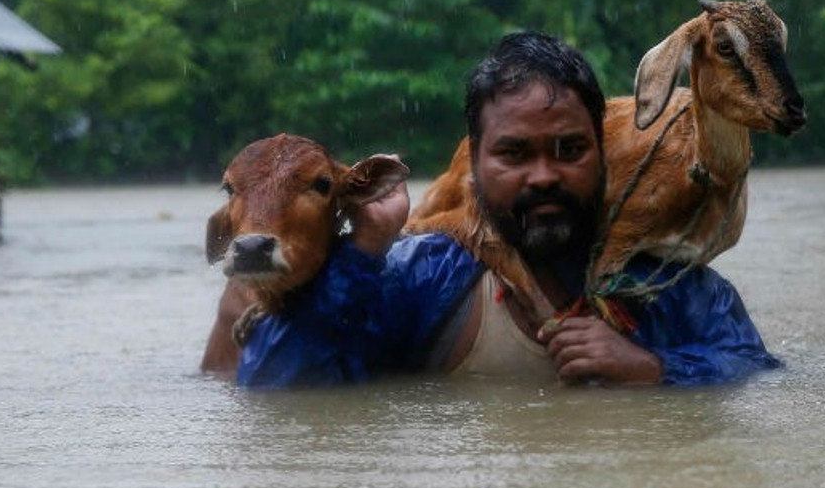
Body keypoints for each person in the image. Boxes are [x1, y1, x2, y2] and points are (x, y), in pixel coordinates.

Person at [238, 31, 780, 388]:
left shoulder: (672, 286)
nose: (544, 175)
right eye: (514, 153)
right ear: (474, 162)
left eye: (570, 150)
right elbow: (276, 389)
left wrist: (655, 368)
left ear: (602, 152)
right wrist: (361, 250)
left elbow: (761, 375)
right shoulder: (423, 276)